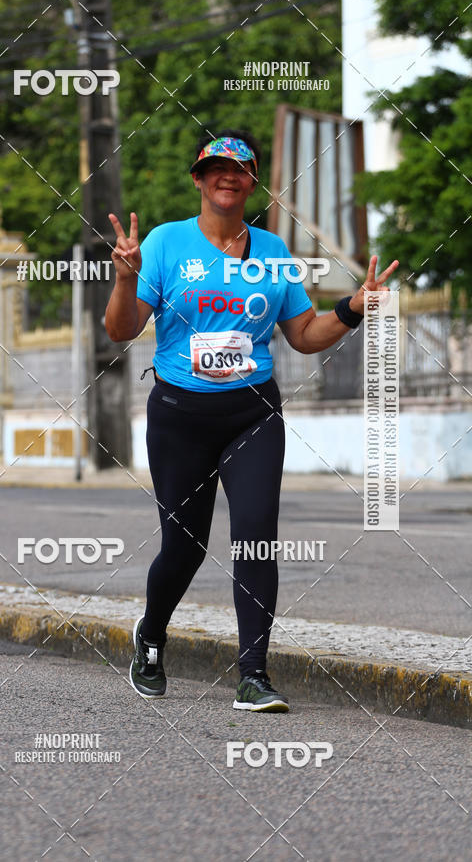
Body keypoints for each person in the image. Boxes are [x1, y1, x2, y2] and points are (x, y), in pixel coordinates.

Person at [105, 129, 398, 712]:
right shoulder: (165, 243)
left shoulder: (272, 252)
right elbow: (120, 330)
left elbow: (304, 335)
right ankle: (152, 635)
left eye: (240, 169)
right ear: (199, 178)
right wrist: (125, 276)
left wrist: (352, 308)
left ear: (253, 182)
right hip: (180, 418)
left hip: (252, 414)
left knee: (257, 538)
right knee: (184, 547)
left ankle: (254, 676)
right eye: (216, 167)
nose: (228, 176)